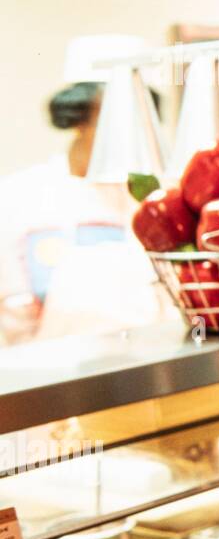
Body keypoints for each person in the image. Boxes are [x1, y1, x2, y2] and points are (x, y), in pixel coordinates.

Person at [0, 34, 162, 344]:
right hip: (44, 376)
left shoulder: (154, 200)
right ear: (78, 116)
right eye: (115, 112)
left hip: (148, 372)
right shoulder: (17, 198)